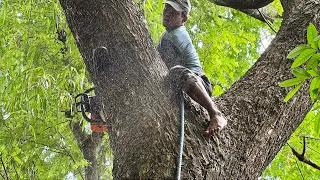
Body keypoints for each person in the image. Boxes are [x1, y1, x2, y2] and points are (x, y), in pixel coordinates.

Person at [157, 0, 227, 136]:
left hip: (198, 82)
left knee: (176, 71)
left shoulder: (178, 34)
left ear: (184, 19)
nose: (167, 13)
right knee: (173, 73)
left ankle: (216, 114)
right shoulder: (166, 36)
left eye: (173, 12)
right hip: (180, 81)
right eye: (166, 8)